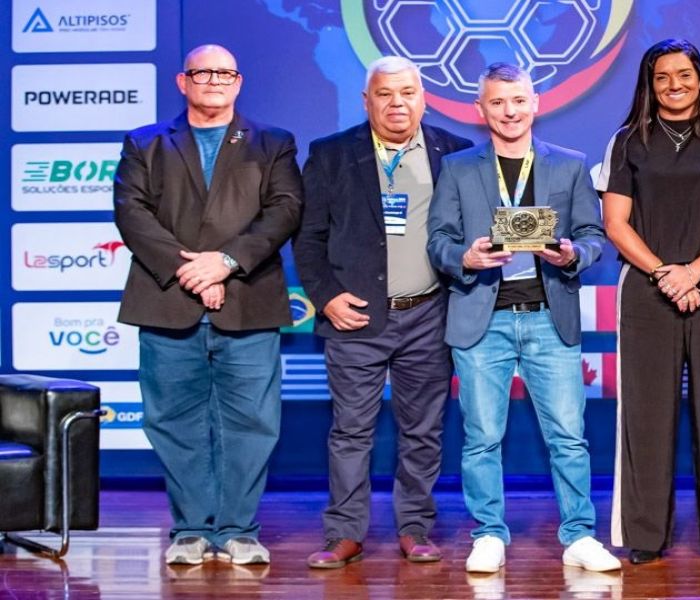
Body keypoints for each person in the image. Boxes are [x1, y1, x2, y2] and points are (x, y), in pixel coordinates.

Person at [426, 63, 620, 574]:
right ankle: (488, 533)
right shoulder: (459, 168)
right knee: (481, 437)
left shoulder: (571, 165)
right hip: (480, 318)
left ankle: (579, 535)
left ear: (535, 103)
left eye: (518, 101)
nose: (509, 112)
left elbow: (594, 237)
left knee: (568, 437)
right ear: (480, 109)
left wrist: (571, 253)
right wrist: (463, 258)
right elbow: (438, 240)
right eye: (497, 103)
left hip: (547, 316)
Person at [113, 44, 302, 565]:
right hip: (167, 300)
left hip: (248, 299)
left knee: (253, 422)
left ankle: (239, 529)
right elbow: (132, 214)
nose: (214, 80)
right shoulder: (145, 142)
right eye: (203, 72)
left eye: (225, 72)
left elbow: (284, 211)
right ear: (183, 81)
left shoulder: (273, 142)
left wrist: (224, 263)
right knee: (174, 420)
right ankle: (192, 529)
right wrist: (191, 271)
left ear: (238, 82)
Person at [294, 56, 473, 569]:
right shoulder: (330, 155)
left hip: (429, 316)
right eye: (385, 94)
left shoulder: (455, 154)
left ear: (424, 96)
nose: (398, 103)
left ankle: (415, 527)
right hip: (355, 317)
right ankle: (344, 534)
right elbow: (308, 239)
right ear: (366, 100)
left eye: (407, 92)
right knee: (350, 430)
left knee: (424, 429)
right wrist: (326, 295)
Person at [597, 38, 700, 565]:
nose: (675, 85)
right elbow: (615, 223)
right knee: (645, 414)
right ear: (649, 83)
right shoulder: (627, 141)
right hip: (647, 287)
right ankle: (646, 535)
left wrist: (693, 271)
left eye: (685, 74)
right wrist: (664, 274)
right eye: (663, 76)